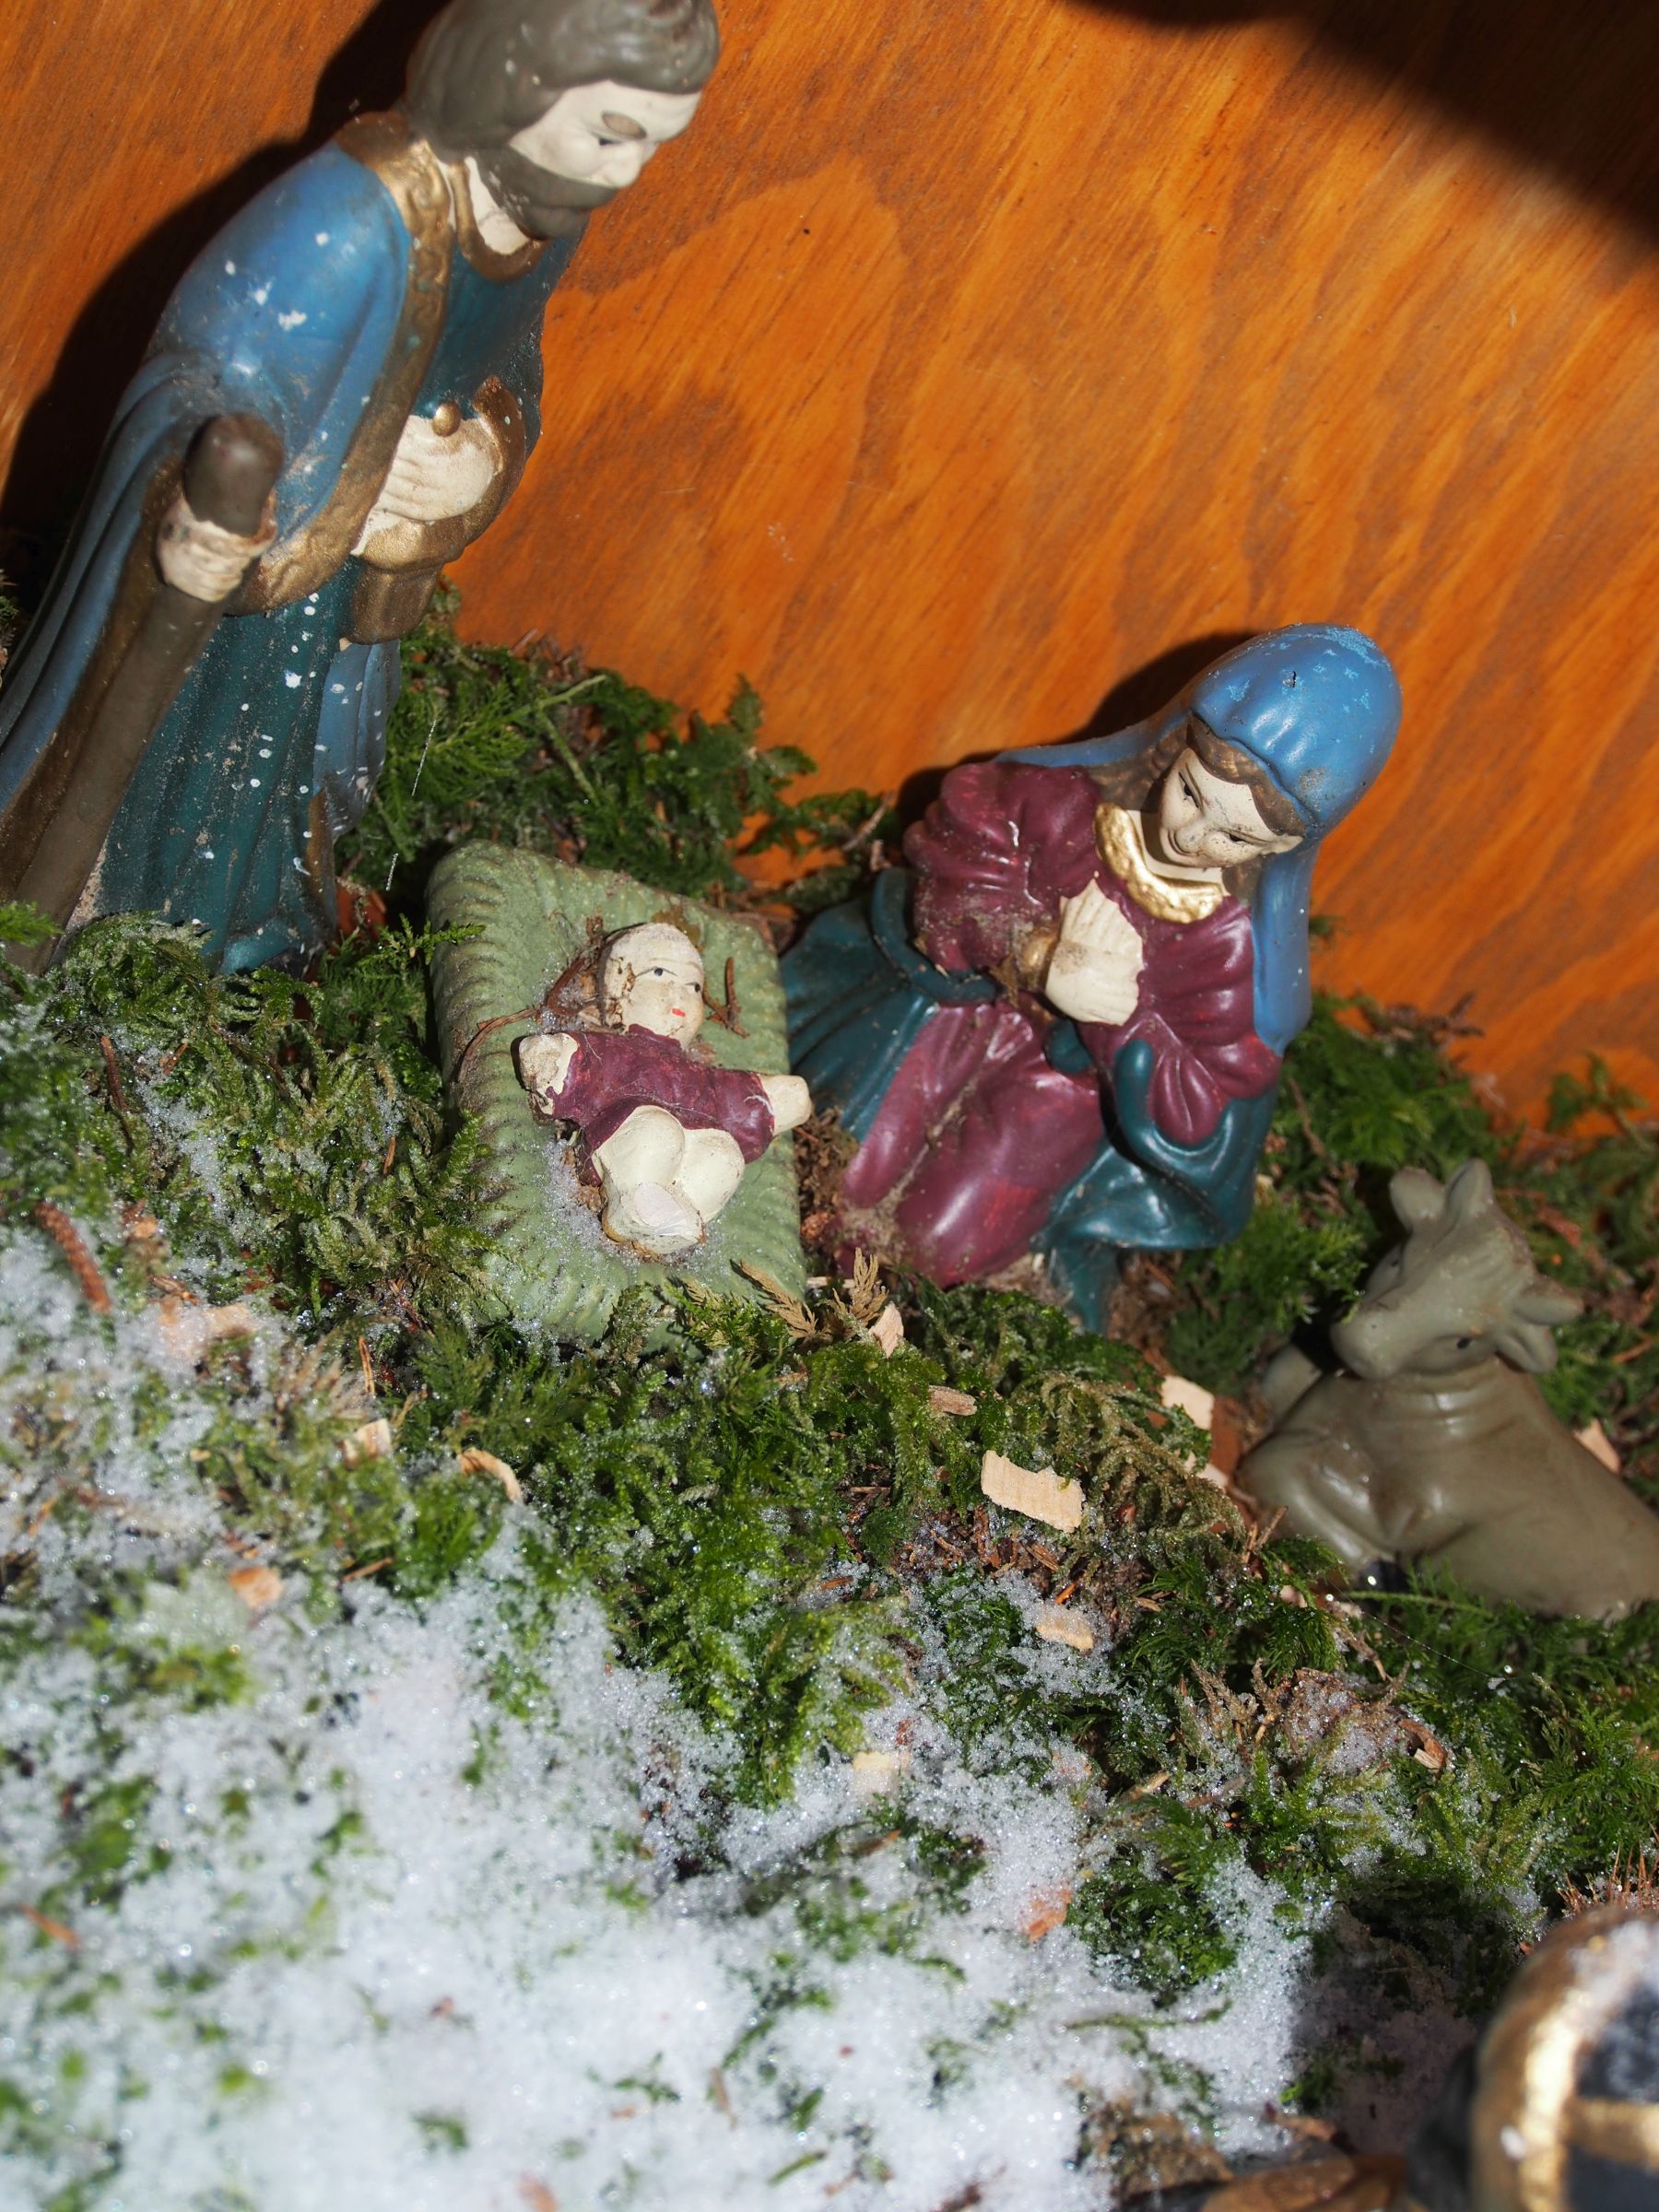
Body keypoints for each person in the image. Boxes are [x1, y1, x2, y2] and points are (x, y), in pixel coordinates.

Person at [0, 0, 718, 971]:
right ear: (516, 80)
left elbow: (514, 368)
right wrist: (225, 503)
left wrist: (484, 452)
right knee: (193, 782)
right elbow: (201, 377)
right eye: (611, 132)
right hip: (247, 583)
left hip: (350, 584)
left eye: (654, 145)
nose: (626, 171)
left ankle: (249, 946)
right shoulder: (350, 216)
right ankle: (138, 956)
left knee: (303, 774)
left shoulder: (545, 220)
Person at [784, 626, 1402, 1328]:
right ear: (1174, 744)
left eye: (1235, 837)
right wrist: (1037, 955)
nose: (1191, 836)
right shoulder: (1065, 806)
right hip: (965, 1013)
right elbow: (958, 858)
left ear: (1283, 846)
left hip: (1062, 1093)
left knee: (941, 1244)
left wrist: (1119, 1016)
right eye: (1192, 793)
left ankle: (874, 1325)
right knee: (841, 1163)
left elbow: (1204, 1094)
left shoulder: (1224, 946)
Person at [519, 923, 810, 1258]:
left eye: (694, 986)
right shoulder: (620, 1051)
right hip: (617, 1150)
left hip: (689, 1151)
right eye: (660, 973)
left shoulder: (700, 1074)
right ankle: (633, 1209)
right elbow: (585, 1064)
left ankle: (678, 1222)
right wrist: (554, 1059)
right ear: (621, 989)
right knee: (656, 1132)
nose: (681, 994)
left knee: (723, 1155)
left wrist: (775, 1100)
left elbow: (733, 1098)